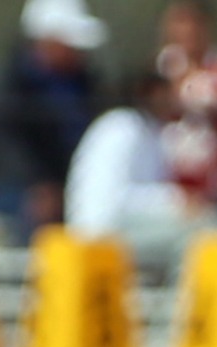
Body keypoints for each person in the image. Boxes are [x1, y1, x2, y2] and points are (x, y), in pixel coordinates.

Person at [0, 0, 106, 240]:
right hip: (18, 190)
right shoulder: (15, 87)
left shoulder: (84, 84)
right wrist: (38, 183)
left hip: (71, 187)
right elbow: (7, 145)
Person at [66, 73, 202, 278]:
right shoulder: (121, 128)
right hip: (102, 232)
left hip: (125, 226)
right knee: (193, 238)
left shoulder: (150, 133)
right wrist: (176, 201)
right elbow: (113, 200)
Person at [153, 0, 217, 211]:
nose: (188, 29)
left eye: (194, 21)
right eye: (180, 21)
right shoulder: (161, 66)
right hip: (175, 177)